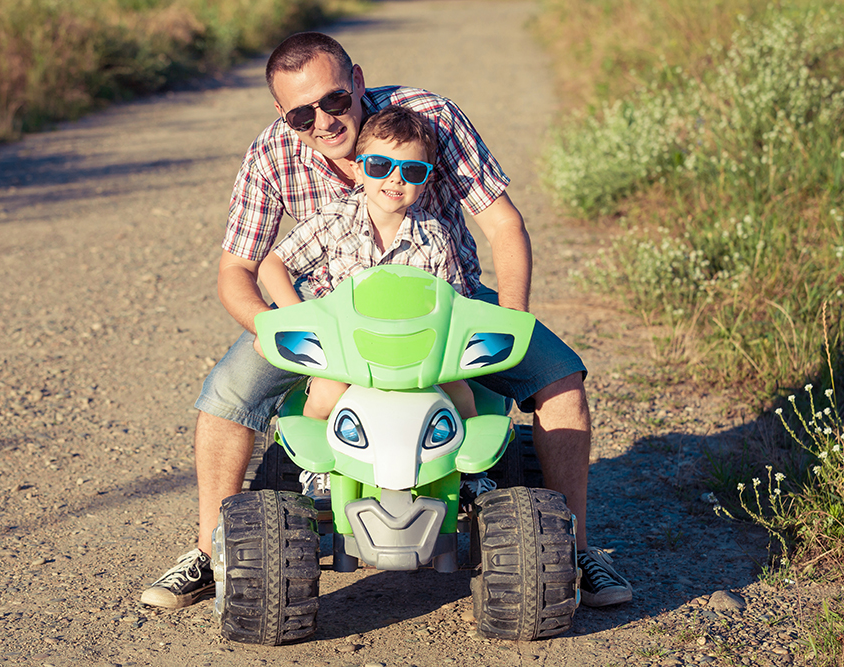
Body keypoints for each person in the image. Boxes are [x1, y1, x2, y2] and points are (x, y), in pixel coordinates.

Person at [140, 31, 632, 611]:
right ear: (282, 113)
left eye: (333, 101)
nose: (321, 122)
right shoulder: (272, 153)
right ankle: (211, 550)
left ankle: (571, 549)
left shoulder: (429, 121)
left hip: (445, 306)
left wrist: (513, 318)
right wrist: (280, 325)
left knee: (560, 379)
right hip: (329, 319)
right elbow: (238, 271)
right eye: (301, 113)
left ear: (356, 82)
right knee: (227, 393)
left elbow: (502, 226)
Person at [257, 104, 477, 421]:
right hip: (345, 345)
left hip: (413, 345)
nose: (396, 179)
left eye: (412, 171)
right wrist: (302, 320)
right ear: (359, 169)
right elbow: (272, 265)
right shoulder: (335, 219)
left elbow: (454, 304)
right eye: (379, 165)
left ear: (426, 179)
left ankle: (469, 462)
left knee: (459, 391)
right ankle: (314, 459)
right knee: (326, 394)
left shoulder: (434, 238)